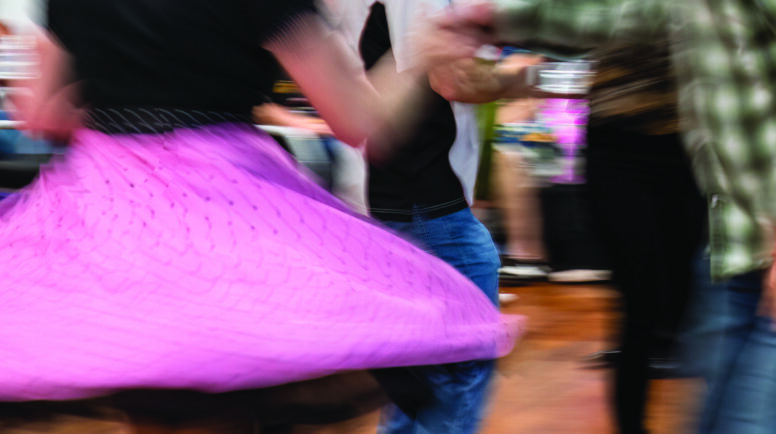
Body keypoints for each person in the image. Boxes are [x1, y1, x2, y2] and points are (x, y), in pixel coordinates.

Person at [0, 0, 526, 431]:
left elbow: (42, 113)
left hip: (108, 210)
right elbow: (362, 121)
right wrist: (429, 54)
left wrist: (112, 93)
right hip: (222, 211)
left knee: (161, 403)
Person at [440, 0, 776, 432]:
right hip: (625, 154)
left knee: (683, 314)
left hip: (693, 168)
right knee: (643, 311)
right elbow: (610, 21)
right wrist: (496, 29)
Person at [329, 1, 541, 432]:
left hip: (380, 206)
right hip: (429, 209)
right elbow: (456, 81)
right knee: (459, 370)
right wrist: (528, 73)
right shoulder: (421, 5)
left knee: (417, 381)